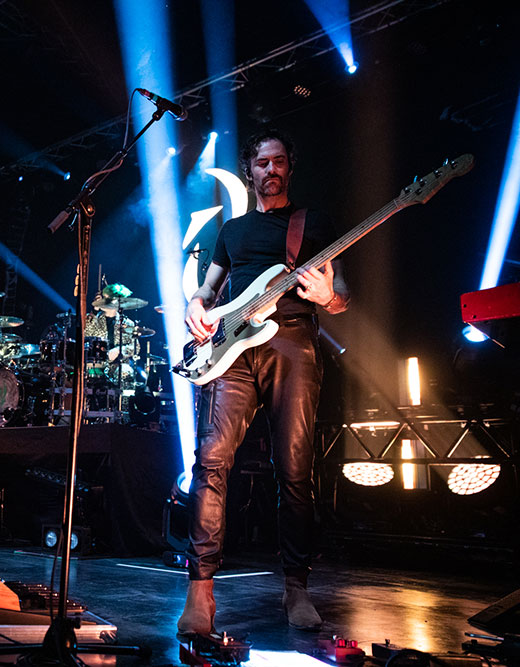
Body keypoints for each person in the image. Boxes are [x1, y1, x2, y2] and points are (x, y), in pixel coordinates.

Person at [178, 128, 350, 633]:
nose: (270, 169)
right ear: (250, 170)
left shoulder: (313, 224)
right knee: (210, 458)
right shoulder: (231, 230)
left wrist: (325, 298)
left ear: (288, 168)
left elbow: (342, 294)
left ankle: (296, 587)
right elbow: (207, 289)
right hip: (232, 348)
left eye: (278, 161)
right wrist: (195, 305)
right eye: (261, 162)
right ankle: (200, 591)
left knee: (294, 468)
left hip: (292, 342)